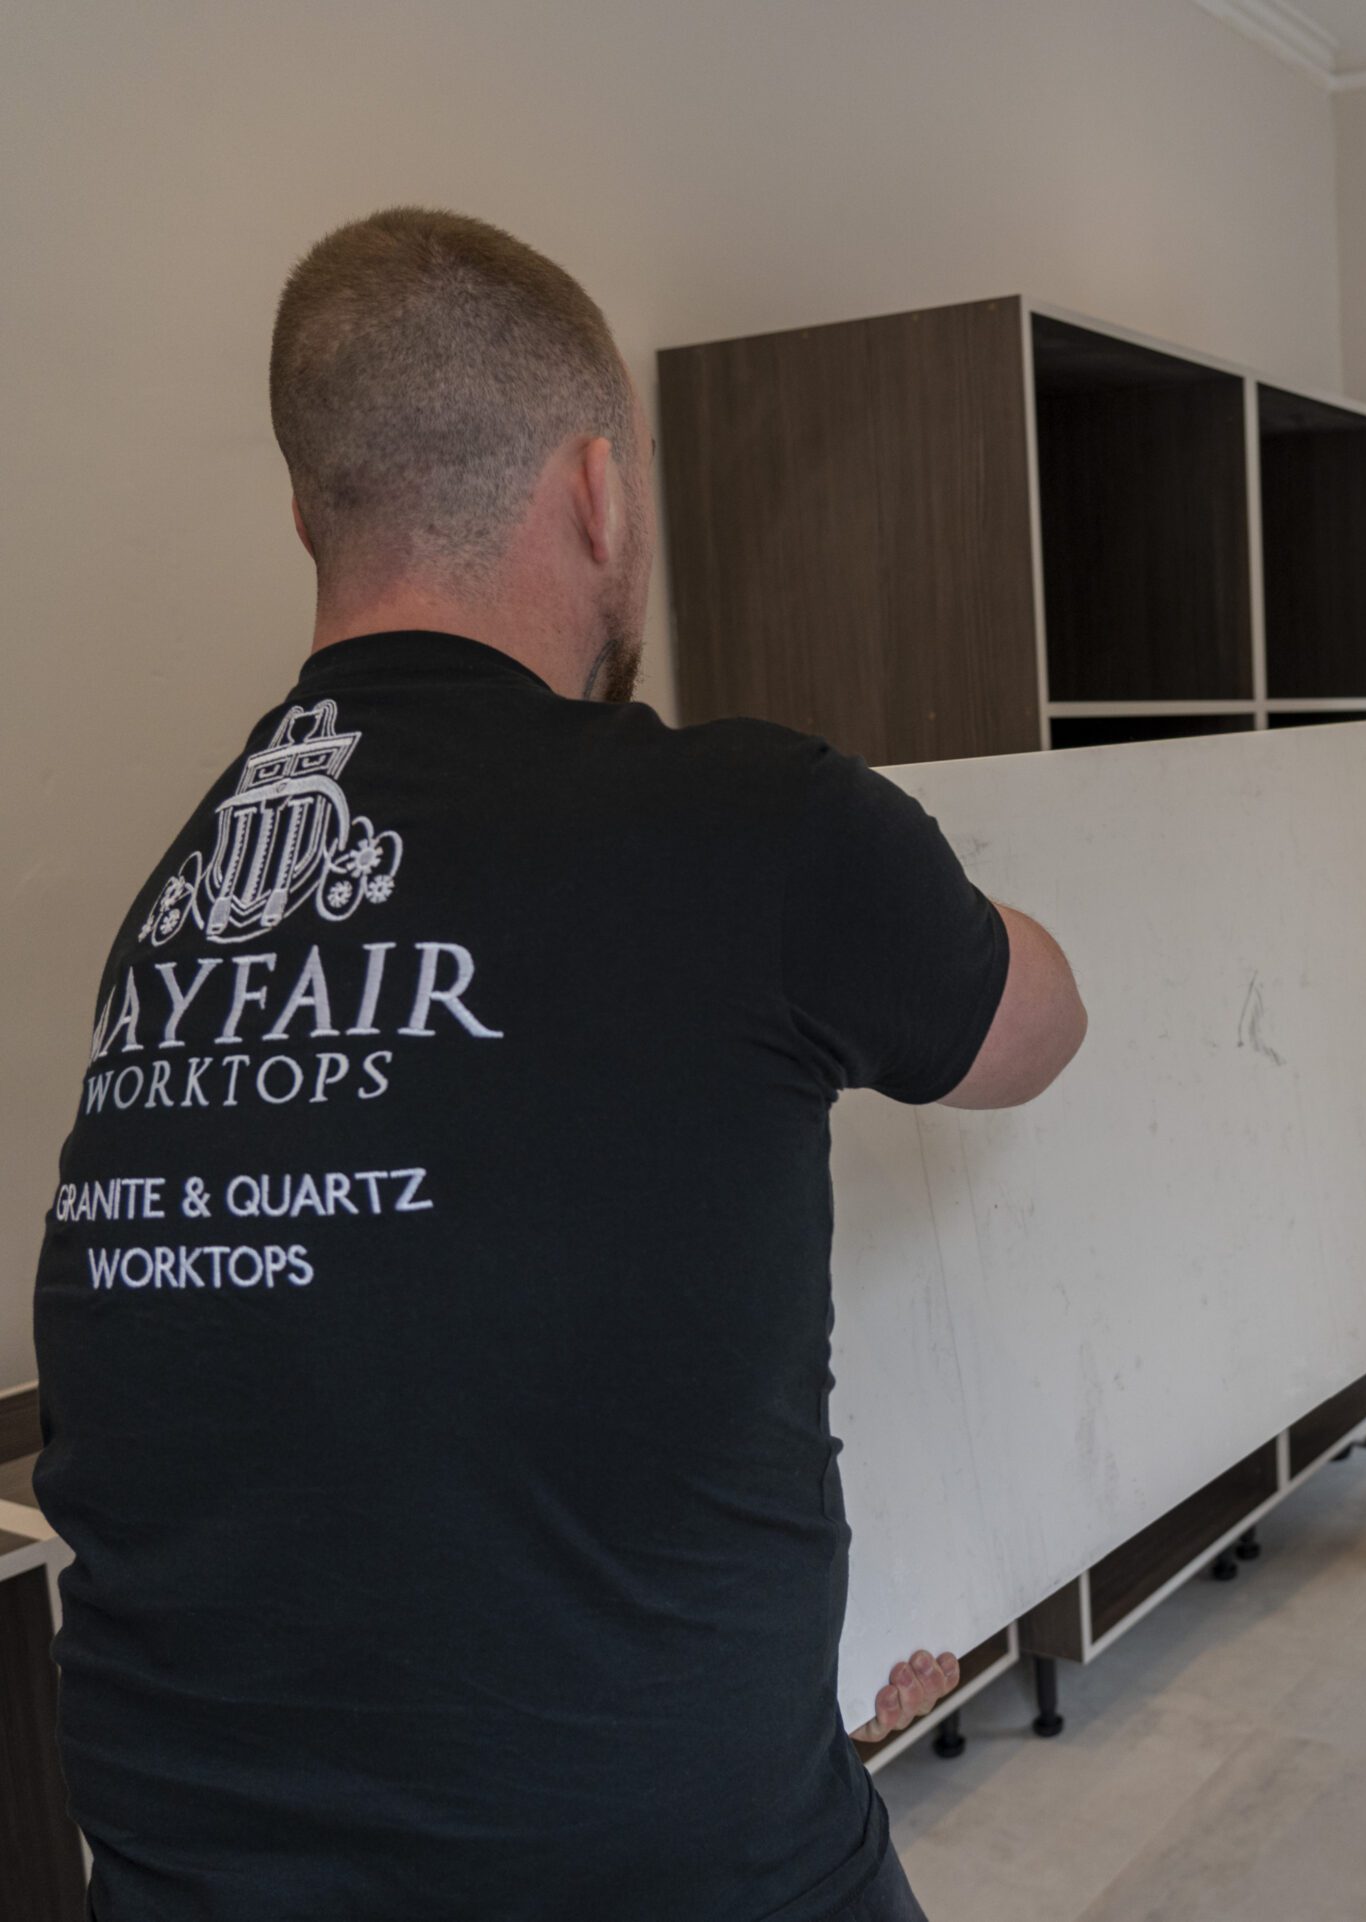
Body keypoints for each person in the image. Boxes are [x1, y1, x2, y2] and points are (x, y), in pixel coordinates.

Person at [32, 208, 1086, 1922]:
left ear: (309, 513)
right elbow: (1032, 1031)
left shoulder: (180, 908)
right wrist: (915, 893)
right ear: (601, 490)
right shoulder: (753, 820)